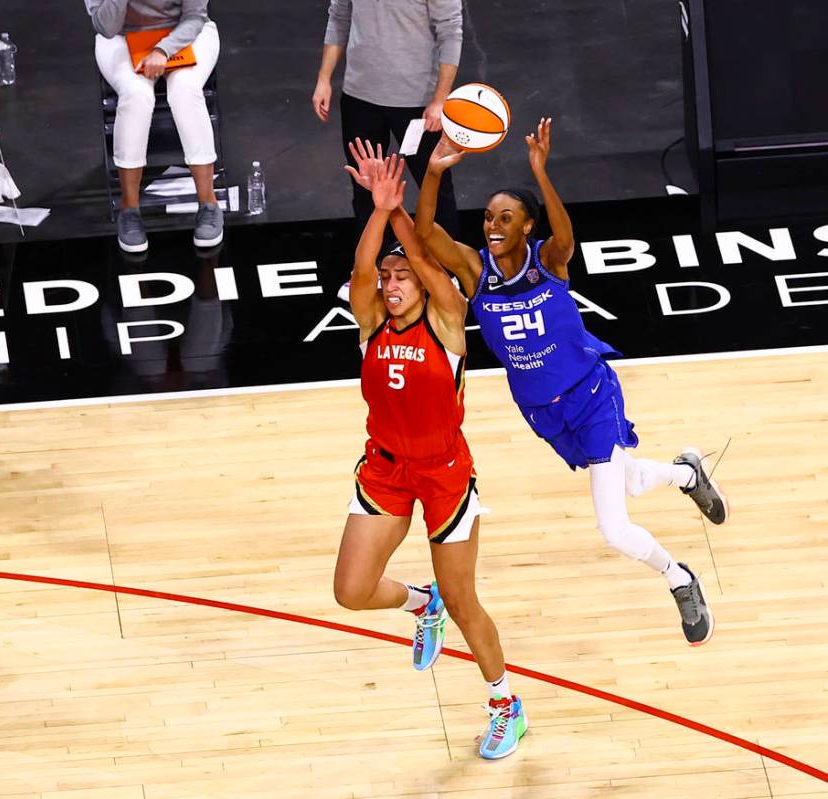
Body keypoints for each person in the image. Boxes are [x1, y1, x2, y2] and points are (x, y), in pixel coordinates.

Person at [414, 118, 729, 646]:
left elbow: (565, 236)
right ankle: (685, 474)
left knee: (614, 527)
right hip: (543, 412)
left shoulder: (549, 262)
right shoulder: (475, 272)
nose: (492, 225)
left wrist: (540, 171)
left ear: (526, 226)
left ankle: (680, 579)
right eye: (488, 216)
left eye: (506, 217)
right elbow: (426, 234)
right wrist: (432, 172)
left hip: (591, 395)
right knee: (628, 479)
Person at [333, 142, 526, 760]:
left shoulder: (445, 319)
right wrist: (377, 209)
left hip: (444, 474)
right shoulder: (371, 322)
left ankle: (506, 705)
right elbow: (362, 272)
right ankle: (422, 602)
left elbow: (423, 255)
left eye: (402, 277)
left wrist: (396, 214)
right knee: (351, 591)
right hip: (386, 469)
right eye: (387, 279)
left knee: (469, 603)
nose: (390, 285)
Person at [314, 0, 462, 301]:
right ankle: (370, 272)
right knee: (366, 189)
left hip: (417, 102)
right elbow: (339, 17)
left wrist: (439, 99)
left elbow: (450, 32)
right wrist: (324, 79)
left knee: (433, 184)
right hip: (359, 97)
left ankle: (448, 269)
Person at [85, 0, 223, 253]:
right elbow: (106, 26)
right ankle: (129, 209)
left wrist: (163, 50)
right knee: (136, 94)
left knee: (185, 89)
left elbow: (194, 16)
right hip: (120, 37)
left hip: (185, 30)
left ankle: (208, 203)